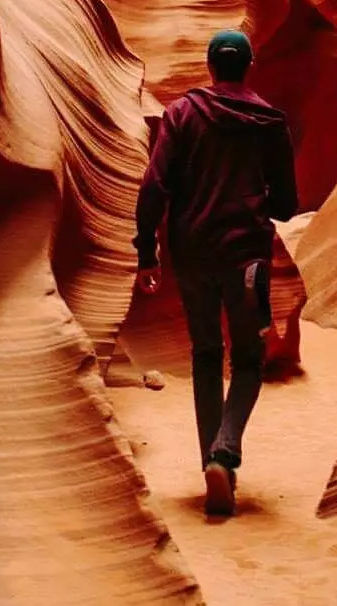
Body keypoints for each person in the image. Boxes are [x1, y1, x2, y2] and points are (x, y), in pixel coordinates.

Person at [133, 29, 297, 517]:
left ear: (210, 67)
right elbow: (287, 205)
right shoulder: (268, 121)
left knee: (206, 355)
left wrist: (148, 250)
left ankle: (212, 462)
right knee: (248, 359)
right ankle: (224, 456)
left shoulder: (182, 114)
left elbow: (155, 186)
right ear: (247, 67)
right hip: (246, 257)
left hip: (192, 254)